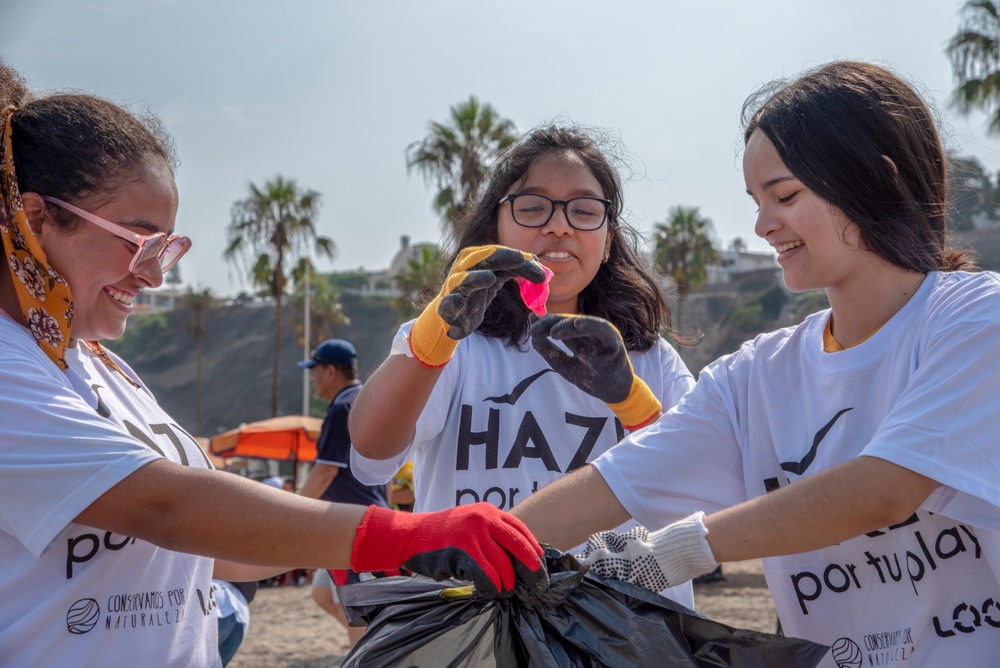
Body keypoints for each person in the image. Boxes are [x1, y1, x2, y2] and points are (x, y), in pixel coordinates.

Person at [0, 63, 544, 667]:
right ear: (35, 217)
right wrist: (408, 535)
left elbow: (213, 551)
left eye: (168, 248)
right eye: (139, 241)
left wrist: (368, 545)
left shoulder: (106, 367)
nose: (154, 274)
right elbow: (169, 508)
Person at [511, 61, 1000, 666]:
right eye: (756, 200)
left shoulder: (977, 319)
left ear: (876, 180)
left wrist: (674, 551)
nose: (763, 225)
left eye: (785, 195)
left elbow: (885, 491)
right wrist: (470, 553)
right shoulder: (755, 377)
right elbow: (612, 486)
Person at [348, 125, 698, 607]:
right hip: (475, 618)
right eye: (532, 207)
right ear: (496, 228)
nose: (559, 226)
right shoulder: (449, 344)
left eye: (584, 210)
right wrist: (433, 340)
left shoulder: (650, 356)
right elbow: (370, 455)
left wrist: (634, 404)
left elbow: (699, 492)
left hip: (626, 624)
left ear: (609, 237)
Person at [297, 338, 387, 648]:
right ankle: (369, 643)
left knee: (355, 607)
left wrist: (290, 510)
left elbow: (324, 472)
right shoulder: (365, 400)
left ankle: (368, 649)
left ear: (331, 371)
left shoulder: (342, 409)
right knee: (324, 595)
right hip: (361, 516)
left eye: (315, 371)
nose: (313, 379)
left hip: (351, 524)